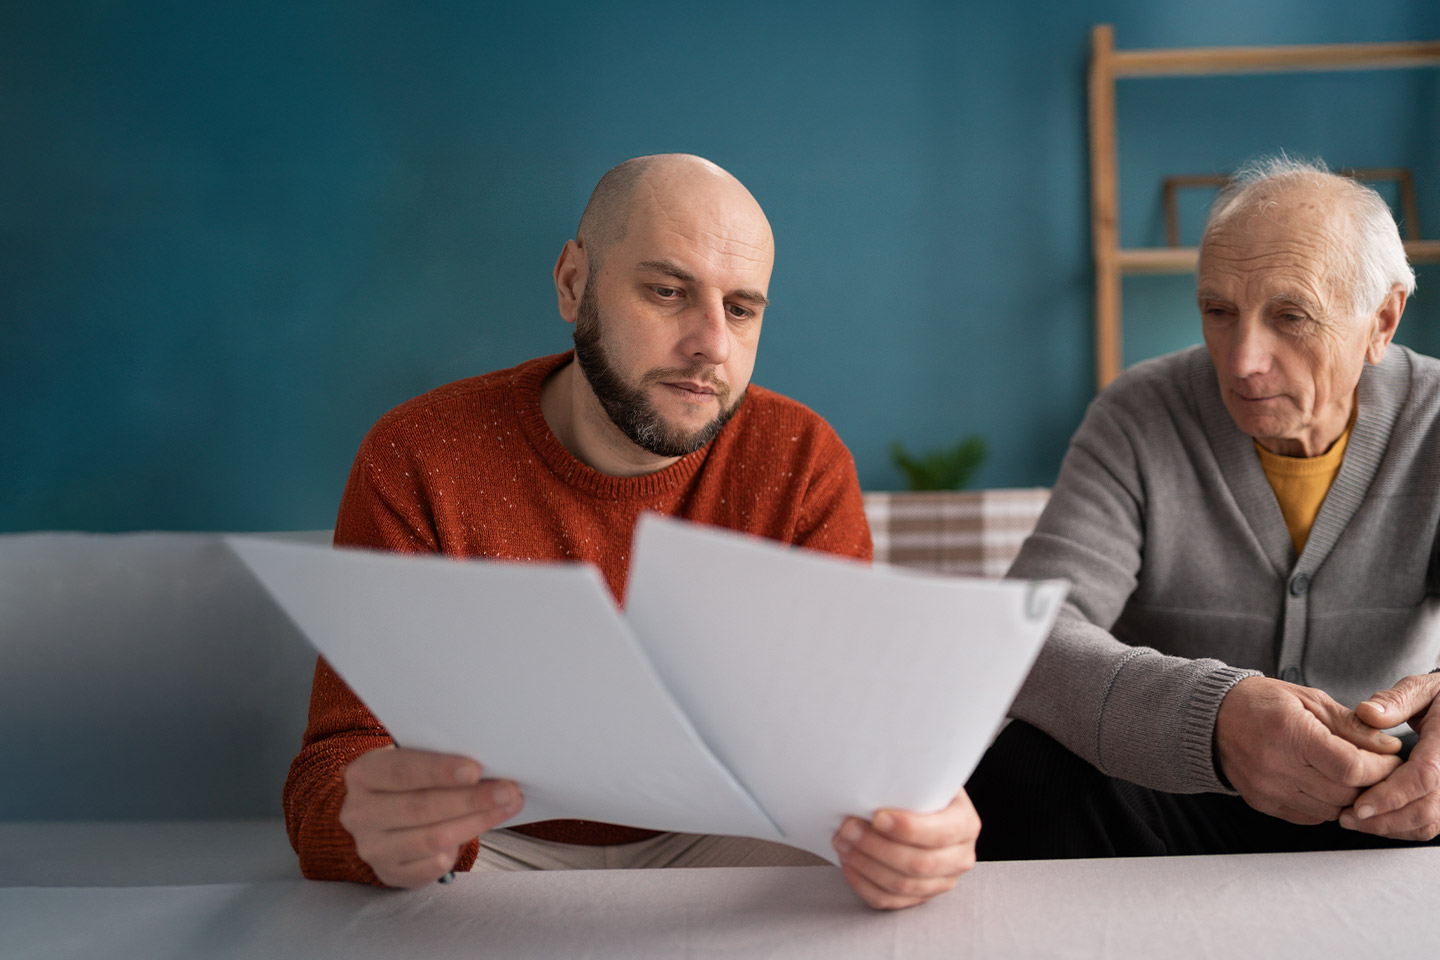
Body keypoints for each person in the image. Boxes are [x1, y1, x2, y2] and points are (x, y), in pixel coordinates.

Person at [284, 154, 979, 909]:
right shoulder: (418, 454)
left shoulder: (801, 459)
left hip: (733, 836)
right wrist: (365, 825)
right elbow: (338, 761)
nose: (712, 344)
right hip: (489, 842)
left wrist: (916, 825)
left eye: (741, 309)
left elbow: (852, 739)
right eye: (668, 292)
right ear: (572, 283)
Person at [969, 155, 1440, 857]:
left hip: (1378, 789)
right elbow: (1027, 633)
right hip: (1179, 785)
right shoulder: (1138, 413)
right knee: (1024, 771)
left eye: (1290, 316)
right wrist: (1212, 717)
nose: (1243, 360)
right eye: (1219, 312)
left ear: (1382, 320)